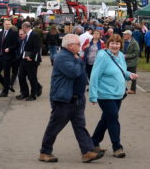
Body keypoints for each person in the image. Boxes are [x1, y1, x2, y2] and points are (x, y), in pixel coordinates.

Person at [38, 34, 104, 163]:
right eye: (78, 44)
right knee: (54, 127)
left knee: (80, 126)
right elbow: (74, 72)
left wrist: (78, 59)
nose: (80, 46)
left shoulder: (74, 56)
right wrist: (80, 60)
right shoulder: (62, 57)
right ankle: (45, 152)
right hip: (64, 100)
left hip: (77, 99)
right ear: (69, 46)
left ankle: (87, 151)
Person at [89, 34, 138, 158]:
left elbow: (121, 71)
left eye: (117, 43)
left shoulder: (121, 55)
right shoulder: (102, 56)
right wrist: (93, 95)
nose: (115, 46)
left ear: (120, 45)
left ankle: (93, 142)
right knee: (113, 119)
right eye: (112, 43)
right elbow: (94, 76)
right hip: (105, 94)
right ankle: (117, 147)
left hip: (118, 94)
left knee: (106, 119)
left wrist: (129, 75)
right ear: (108, 44)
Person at [0, 20, 19, 97]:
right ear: (3, 24)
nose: (8, 25)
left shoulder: (13, 33)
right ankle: (7, 86)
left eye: (9, 24)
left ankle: (5, 92)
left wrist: (9, 49)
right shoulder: (1, 33)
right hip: (0, 56)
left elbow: (16, 45)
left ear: (11, 25)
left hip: (8, 57)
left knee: (6, 74)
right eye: (6, 24)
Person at [17, 21, 42, 101]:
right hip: (24, 59)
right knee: (21, 76)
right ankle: (24, 93)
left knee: (32, 78)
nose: (22, 30)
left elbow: (36, 48)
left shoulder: (34, 35)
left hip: (32, 60)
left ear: (25, 27)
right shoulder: (27, 35)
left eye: (22, 28)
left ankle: (33, 94)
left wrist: (31, 56)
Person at [122, 30, 139, 94]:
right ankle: (124, 88)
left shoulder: (134, 43)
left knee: (133, 77)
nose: (124, 35)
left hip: (132, 63)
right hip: (124, 62)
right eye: (124, 34)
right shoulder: (123, 42)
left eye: (125, 34)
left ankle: (133, 89)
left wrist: (126, 56)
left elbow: (136, 53)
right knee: (122, 75)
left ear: (129, 35)